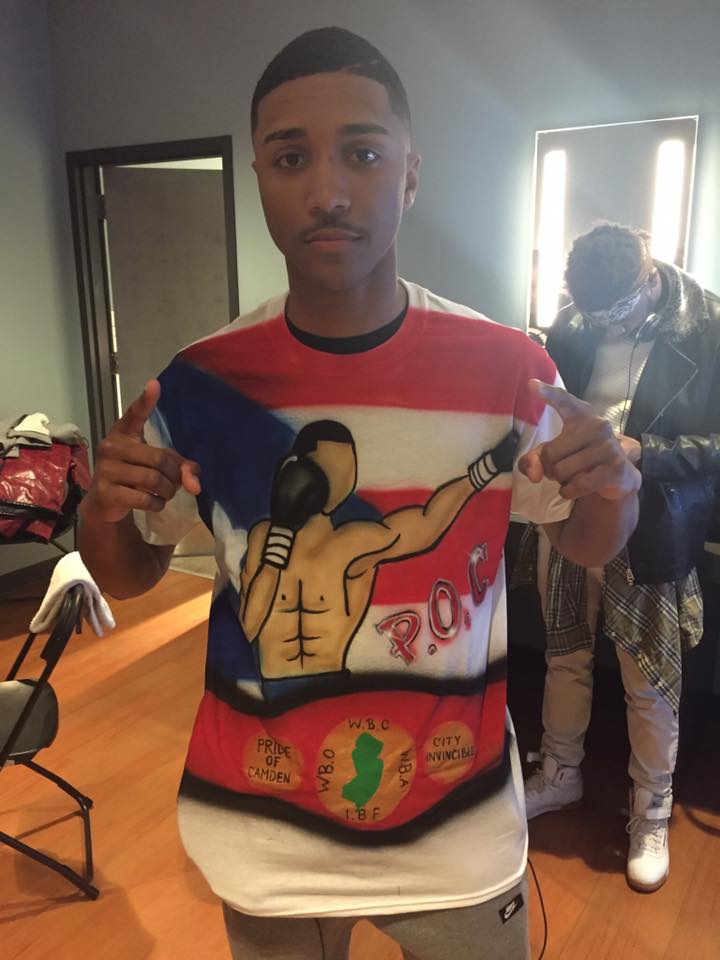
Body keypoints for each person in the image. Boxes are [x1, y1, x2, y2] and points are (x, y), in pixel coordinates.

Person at [78, 30, 640, 960]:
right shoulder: (201, 384)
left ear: (410, 174)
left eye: (364, 155)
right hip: (262, 824)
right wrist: (100, 513)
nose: (329, 192)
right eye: (291, 158)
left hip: (457, 826)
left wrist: (613, 485)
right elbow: (131, 575)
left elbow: (586, 541)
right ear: (259, 176)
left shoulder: (507, 368)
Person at [520, 222, 720, 894]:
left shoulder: (709, 327)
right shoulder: (573, 322)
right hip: (570, 510)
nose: (604, 325)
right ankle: (560, 771)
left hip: (653, 518)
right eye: (592, 314)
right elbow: (546, 411)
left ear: (649, 273)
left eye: (618, 311)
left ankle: (651, 807)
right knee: (565, 652)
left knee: (649, 677)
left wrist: (643, 453)